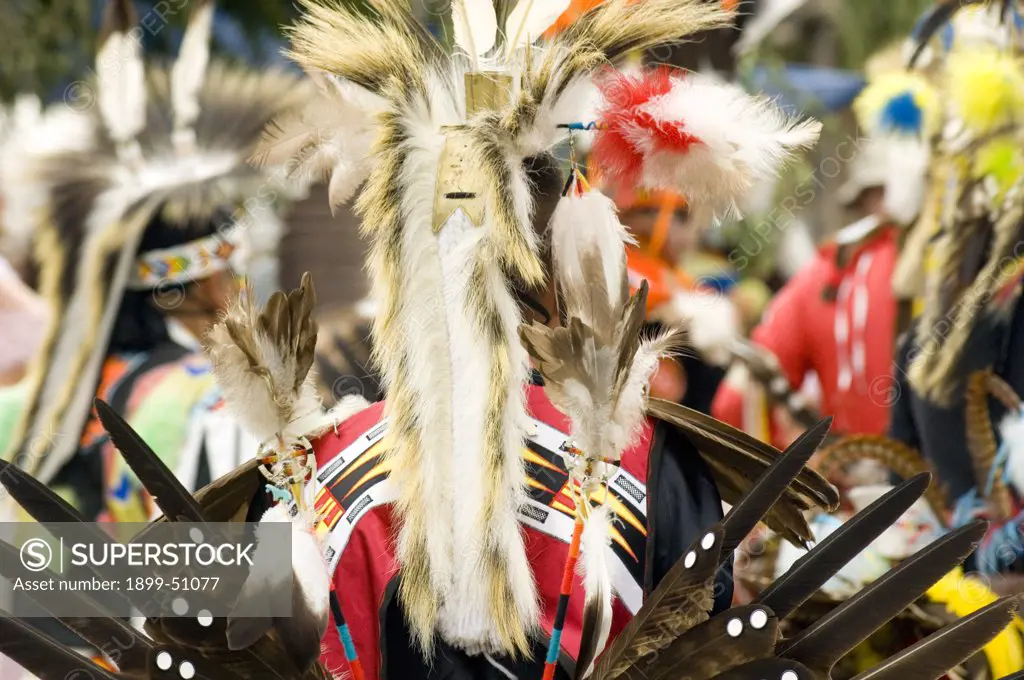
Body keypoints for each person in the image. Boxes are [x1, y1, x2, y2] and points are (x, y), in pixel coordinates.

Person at [0, 0, 312, 522]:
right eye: (229, 270)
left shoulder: (24, 407)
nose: (239, 288)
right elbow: (252, 585)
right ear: (186, 286)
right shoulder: (222, 405)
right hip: (180, 600)